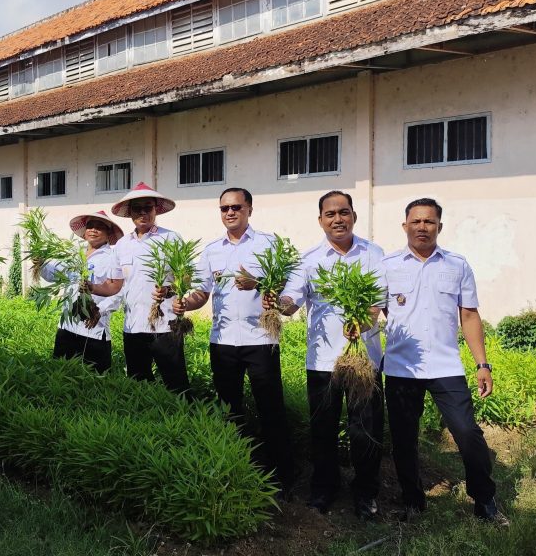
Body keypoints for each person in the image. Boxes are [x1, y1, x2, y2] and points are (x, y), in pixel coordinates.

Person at [382, 198, 508, 525]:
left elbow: (468, 315)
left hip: (446, 366)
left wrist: (482, 364)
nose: (422, 227)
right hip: (401, 367)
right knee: (404, 439)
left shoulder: (457, 265)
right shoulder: (387, 265)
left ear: (440, 226)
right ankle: (413, 500)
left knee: (467, 433)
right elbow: (376, 311)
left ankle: (484, 499)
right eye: (416, 221)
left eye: (429, 221)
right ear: (405, 225)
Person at [172, 188, 295, 494]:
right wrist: (186, 304)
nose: (230, 212)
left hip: (261, 339)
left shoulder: (269, 244)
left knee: (271, 408)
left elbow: (285, 284)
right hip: (223, 341)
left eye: (236, 207)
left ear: (249, 209)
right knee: (229, 408)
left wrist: (260, 283)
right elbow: (202, 292)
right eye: (224, 208)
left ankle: (281, 477)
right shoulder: (212, 250)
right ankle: (237, 468)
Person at [276, 190, 385, 518]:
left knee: (365, 429)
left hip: (363, 361)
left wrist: (363, 322)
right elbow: (291, 301)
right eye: (330, 214)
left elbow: (377, 301)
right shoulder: (307, 260)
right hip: (322, 361)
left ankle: (366, 493)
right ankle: (324, 489)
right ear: (321, 220)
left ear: (353, 215)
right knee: (322, 429)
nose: (338, 219)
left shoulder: (374, 254)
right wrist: (276, 302)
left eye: (344, 212)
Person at [110, 182, 190, 395]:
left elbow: (186, 278)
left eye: (148, 207)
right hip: (133, 325)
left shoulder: (171, 239)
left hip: (164, 326)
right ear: (129, 213)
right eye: (138, 208)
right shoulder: (122, 244)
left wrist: (169, 290)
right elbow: (117, 283)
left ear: (156, 210)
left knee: (176, 384)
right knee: (138, 384)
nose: (143, 212)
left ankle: (181, 422)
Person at [39, 211, 124, 373]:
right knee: (61, 374)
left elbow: (118, 292)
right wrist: (41, 264)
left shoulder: (112, 258)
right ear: (84, 232)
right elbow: (54, 275)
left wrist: (99, 309)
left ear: (108, 234)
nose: (94, 230)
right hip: (67, 326)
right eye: (90, 226)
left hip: (93, 329)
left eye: (100, 227)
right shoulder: (75, 256)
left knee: (94, 380)